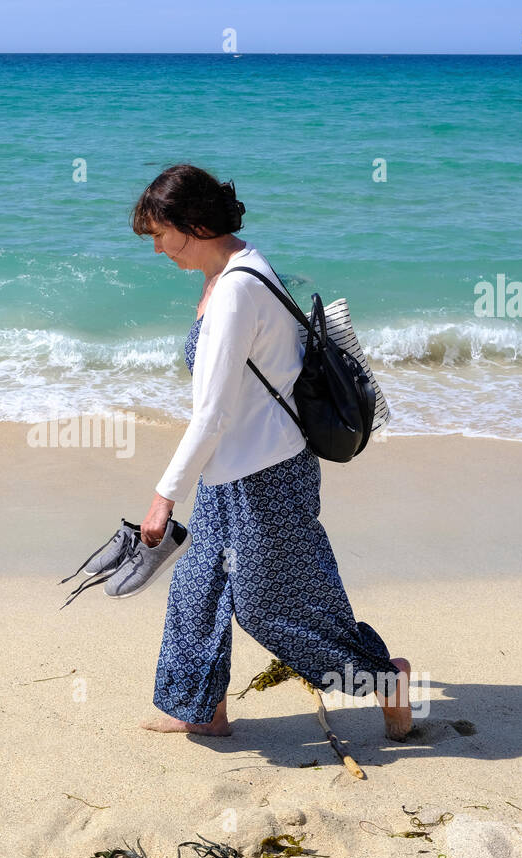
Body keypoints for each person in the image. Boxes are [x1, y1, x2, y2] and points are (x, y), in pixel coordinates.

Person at [129, 164, 412, 741]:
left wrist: (163, 496)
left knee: (272, 608)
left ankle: (386, 680)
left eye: (162, 235)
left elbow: (213, 413)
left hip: (267, 475)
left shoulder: (235, 289)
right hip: (230, 473)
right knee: (198, 590)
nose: (158, 249)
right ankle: (201, 709)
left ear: (194, 224)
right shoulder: (237, 267)